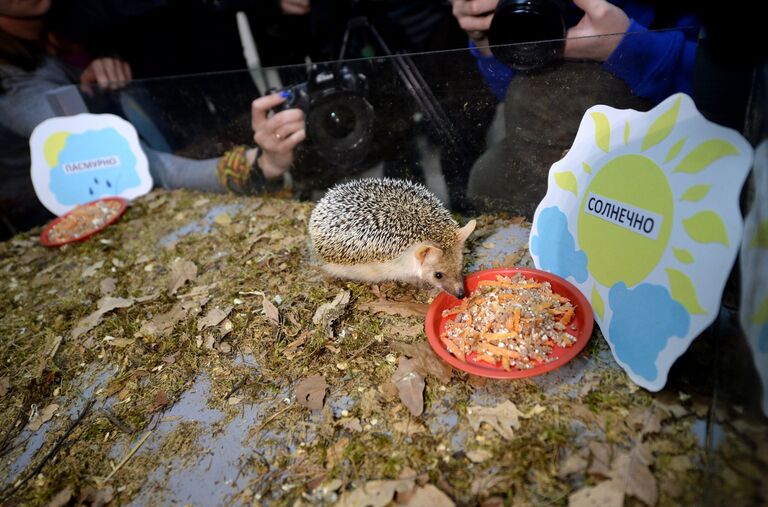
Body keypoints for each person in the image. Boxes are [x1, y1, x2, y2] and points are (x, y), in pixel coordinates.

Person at [0, 0, 305, 239]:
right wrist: (260, 164)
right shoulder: (15, 87)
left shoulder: (63, 36)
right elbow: (134, 167)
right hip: (64, 225)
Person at [448, 0, 699, 216]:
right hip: (549, 147)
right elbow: (507, 92)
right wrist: (492, 43)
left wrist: (633, 48)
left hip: (668, 138)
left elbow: (730, 94)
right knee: (486, 177)